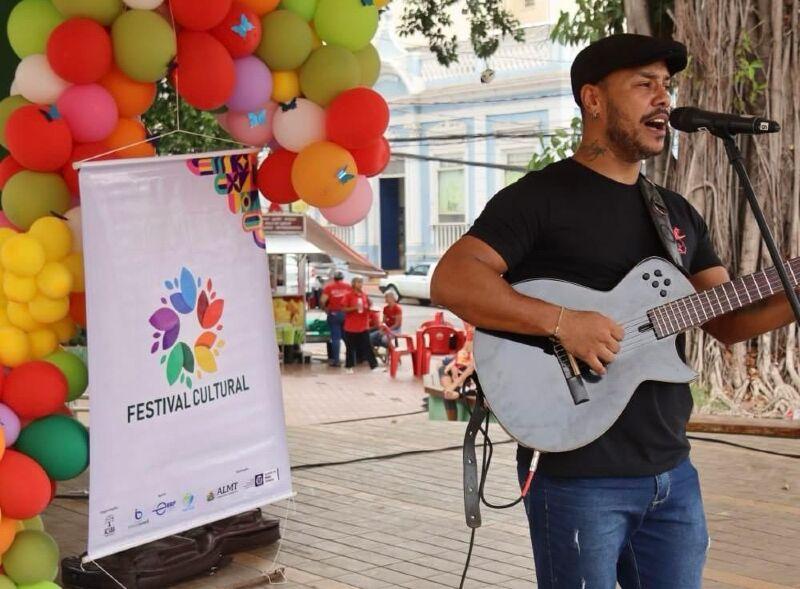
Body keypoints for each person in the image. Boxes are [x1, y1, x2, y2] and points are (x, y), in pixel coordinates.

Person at [431, 33, 800, 589]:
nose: (664, 99)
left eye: (667, 86)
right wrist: (563, 322)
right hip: (580, 478)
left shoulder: (674, 214)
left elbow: (726, 319)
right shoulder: (540, 197)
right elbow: (454, 279)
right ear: (594, 99)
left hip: (672, 473)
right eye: (644, 84)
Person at [342, 277, 378, 373]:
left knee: (367, 346)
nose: (360, 284)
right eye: (358, 282)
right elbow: (344, 309)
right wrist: (354, 308)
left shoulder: (364, 295)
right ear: (353, 283)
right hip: (351, 327)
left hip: (363, 326)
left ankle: (374, 366)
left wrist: (369, 306)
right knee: (350, 347)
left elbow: (369, 305)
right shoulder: (348, 295)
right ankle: (349, 366)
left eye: (361, 282)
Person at [437, 339, 474, 421]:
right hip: (464, 370)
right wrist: (454, 366)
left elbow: (472, 368)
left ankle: (456, 392)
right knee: (443, 369)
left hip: (474, 377)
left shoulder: (481, 339)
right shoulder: (470, 336)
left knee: (449, 394)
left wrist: (454, 384)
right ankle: (453, 391)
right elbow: (460, 355)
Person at [320, 270, 350, 367]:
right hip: (346, 314)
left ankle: (336, 361)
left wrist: (325, 308)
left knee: (336, 338)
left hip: (334, 314)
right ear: (342, 278)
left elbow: (322, 300)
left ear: (334, 278)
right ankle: (352, 359)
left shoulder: (329, 287)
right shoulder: (348, 287)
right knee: (347, 337)